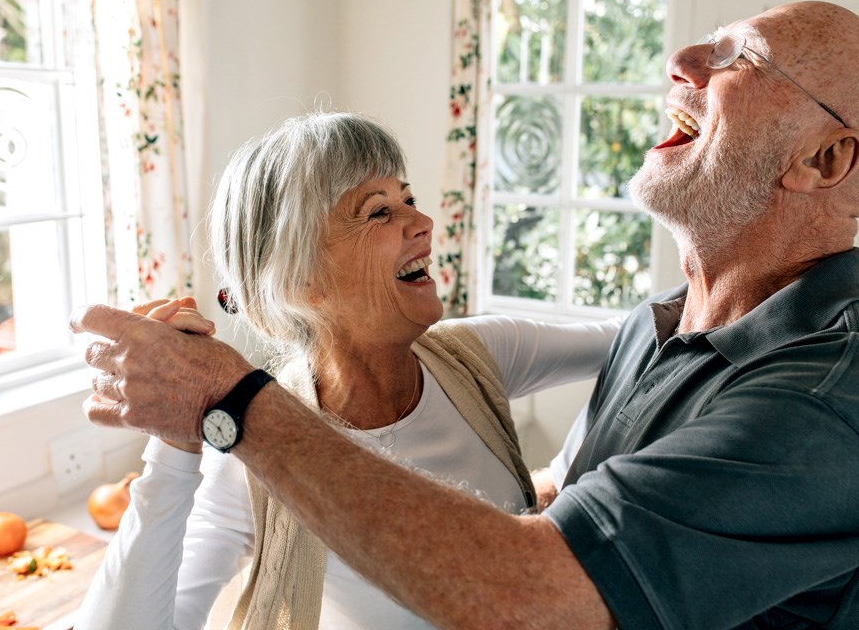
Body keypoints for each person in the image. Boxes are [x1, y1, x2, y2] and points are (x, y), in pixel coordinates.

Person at [72, 1, 859, 629]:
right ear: (295, 280)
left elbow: (532, 589)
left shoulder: (834, 405)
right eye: (376, 210)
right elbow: (584, 506)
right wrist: (186, 436)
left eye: (743, 56)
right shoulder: (660, 328)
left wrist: (229, 406)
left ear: (827, 158)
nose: (683, 56)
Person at [73, 112, 620, 630]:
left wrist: (573, 477)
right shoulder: (249, 451)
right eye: (379, 211)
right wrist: (173, 442)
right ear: (298, 281)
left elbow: (647, 342)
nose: (424, 223)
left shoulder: (479, 354)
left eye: (409, 199)